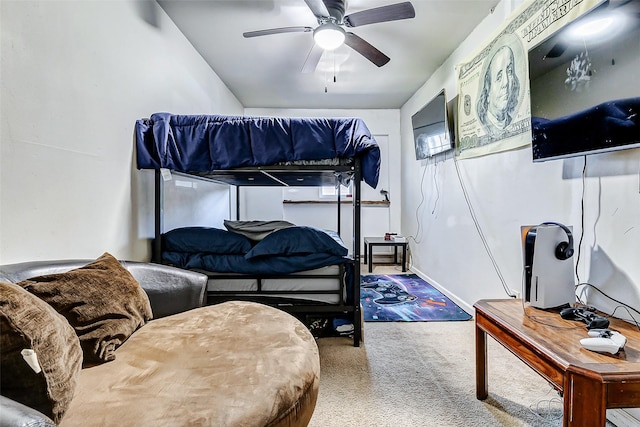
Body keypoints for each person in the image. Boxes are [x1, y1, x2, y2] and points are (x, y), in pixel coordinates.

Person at [477, 45, 520, 133]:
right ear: (488, 90)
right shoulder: (484, 124)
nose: (506, 83)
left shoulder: (510, 121)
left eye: (509, 71)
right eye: (499, 77)